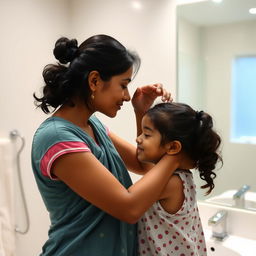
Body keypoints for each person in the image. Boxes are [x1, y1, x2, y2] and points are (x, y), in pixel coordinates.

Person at [31, 35, 190, 256]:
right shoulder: (57, 138)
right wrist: (177, 155)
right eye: (123, 85)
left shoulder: (92, 124)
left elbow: (142, 163)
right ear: (94, 81)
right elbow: (130, 208)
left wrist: (141, 111)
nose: (126, 96)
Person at [136, 102, 222, 256]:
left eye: (147, 135)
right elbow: (147, 166)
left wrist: (99, 131)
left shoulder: (170, 183)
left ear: (174, 147)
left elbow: (130, 200)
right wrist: (139, 111)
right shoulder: (182, 177)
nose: (138, 139)